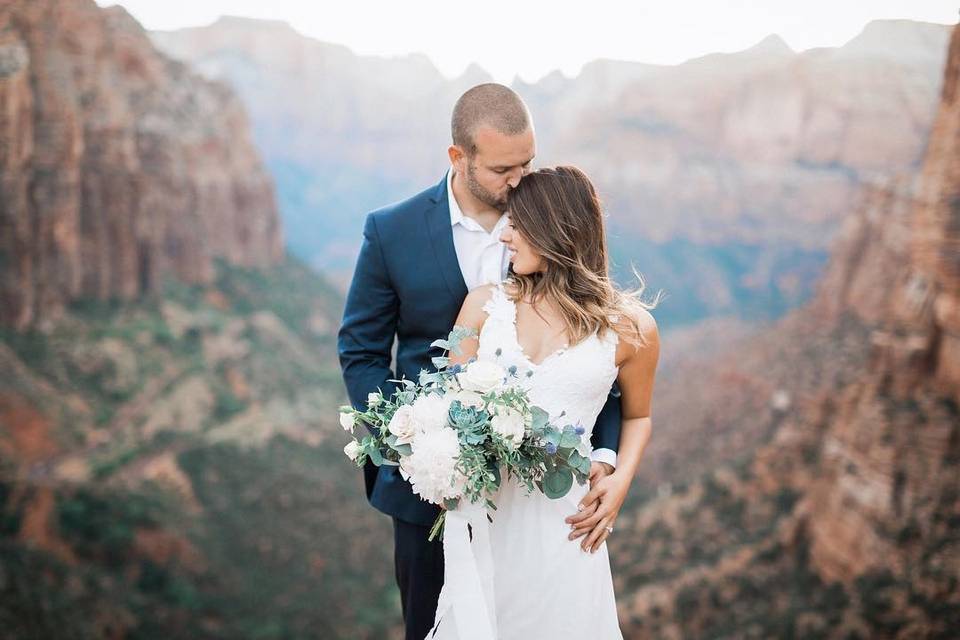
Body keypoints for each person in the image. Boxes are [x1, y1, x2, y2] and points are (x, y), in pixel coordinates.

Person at [337, 84, 626, 640]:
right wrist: (415, 450)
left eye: (528, 164)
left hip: (539, 505)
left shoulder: (551, 222)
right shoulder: (391, 231)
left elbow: (599, 355)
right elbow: (362, 352)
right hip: (431, 494)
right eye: (502, 169)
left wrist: (608, 456)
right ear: (458, 158)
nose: (520, 182)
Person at [438, 165, 660, 638]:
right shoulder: (479, 306)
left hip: (568, 524)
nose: (505, 238)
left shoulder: (632, 328)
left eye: (517, 225)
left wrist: (619, 481)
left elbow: (638, 415)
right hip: (487, 516)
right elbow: (446, 405)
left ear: (556, 229)